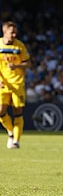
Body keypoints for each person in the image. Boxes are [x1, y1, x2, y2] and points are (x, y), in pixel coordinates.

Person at [0, 21, 31, 149]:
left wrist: (16, 65)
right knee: (1, 112)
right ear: (4, 32)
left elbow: (28, 63)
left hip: (17, 83)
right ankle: (11, 131)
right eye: (11, 32)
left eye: (15, 33)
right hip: (3, 83)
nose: (14, 35)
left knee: (18, 112)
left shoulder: (20, 46)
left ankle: (16, 141)